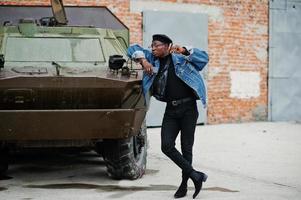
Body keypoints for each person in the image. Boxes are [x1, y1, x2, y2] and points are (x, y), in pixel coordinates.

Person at [127, 34, 209, 199]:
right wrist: (144, 61)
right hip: (171, 111)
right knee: (166, 146)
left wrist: (185, 50)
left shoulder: (180, 57)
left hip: (188, 109)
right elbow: (132, 48)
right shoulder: (152, 58)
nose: (153, 48)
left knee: (187, 149)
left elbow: (204, 58)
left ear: (167, 46)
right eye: (152, 45)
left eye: (156, 45)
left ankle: (184, 185)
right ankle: (196, 176)